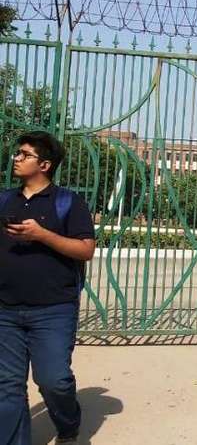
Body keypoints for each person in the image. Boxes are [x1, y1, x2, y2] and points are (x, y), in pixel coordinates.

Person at [0, 131, 96, 445]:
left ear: (45, 164)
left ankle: (68, 425)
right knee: (8, 387)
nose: (16, 158)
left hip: (53, 309)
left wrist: (42, 235)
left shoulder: (68, 202)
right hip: (5, 310)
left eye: (24, 154)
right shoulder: (4, 200)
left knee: (54, 380)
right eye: (17, 153)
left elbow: (85, 250)